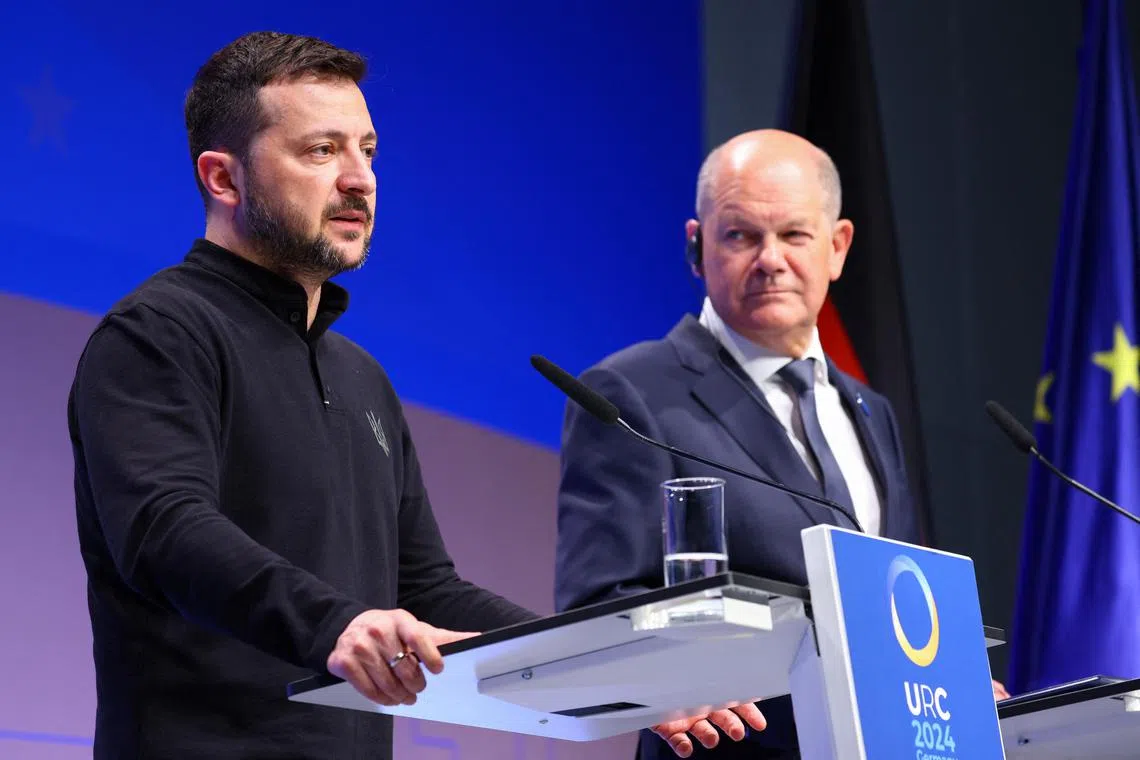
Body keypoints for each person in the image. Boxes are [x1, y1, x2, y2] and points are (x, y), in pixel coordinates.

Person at [66, 31, 544, 759]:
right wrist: (335, 626)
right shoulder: (156, 334)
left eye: (368, 151)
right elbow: (165, 531)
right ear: (223, 179)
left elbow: (422, 589)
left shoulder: (362, 376)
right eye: (322, 151)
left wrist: (604, 662)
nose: (360, 180)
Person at [553, 129, 1008, 759]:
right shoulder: (629, 393)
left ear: (837, 247)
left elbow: (897, 599)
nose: (770, 259)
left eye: (794, 234)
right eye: (741, 235)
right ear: (697, 246)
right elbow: (597, 606)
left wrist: (952, 682)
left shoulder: (870, 412)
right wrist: (685, 682)